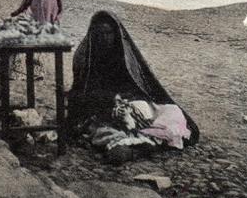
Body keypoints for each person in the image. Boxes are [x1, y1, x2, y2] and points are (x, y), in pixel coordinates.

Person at [67, 11, 199, 163]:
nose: (104, 37)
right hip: (101, 109)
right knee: (106, 131)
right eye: (99, 33)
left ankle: (140, 143)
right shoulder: (84, 57)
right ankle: (135, 146)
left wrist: (126, 97)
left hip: (129, 103)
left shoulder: (124, 56)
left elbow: (140, 86)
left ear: (116, 34)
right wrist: (110, 99)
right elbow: (81, 91)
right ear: (93, 34)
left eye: (108, 33)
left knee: (169, 113)